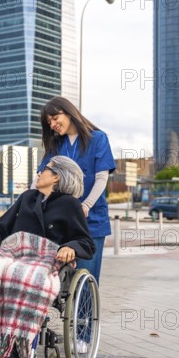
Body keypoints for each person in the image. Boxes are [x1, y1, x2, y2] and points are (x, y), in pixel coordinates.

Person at [0, 156, 95, 358]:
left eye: (44, 170)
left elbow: (85, 241)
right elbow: (1, 227)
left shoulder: (70, 205)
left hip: (44, 259)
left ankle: (15, 354)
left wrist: (71, 247)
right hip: (14, 253)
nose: (39, 173)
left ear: (56, 176)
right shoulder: (27, 197)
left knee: (26, 279)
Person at [37, 96, 115, 285]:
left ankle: (84, 316)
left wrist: (86, 205)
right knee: (56, 279)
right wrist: (29, 201)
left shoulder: (97, 139)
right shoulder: (56, 145)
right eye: (49, 122)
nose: (53, 124)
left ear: (69, 112)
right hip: (60, 221)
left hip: (92, 221)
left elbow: (101, 178)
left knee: (85, 279)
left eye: (55, 118)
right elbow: (40, 178)